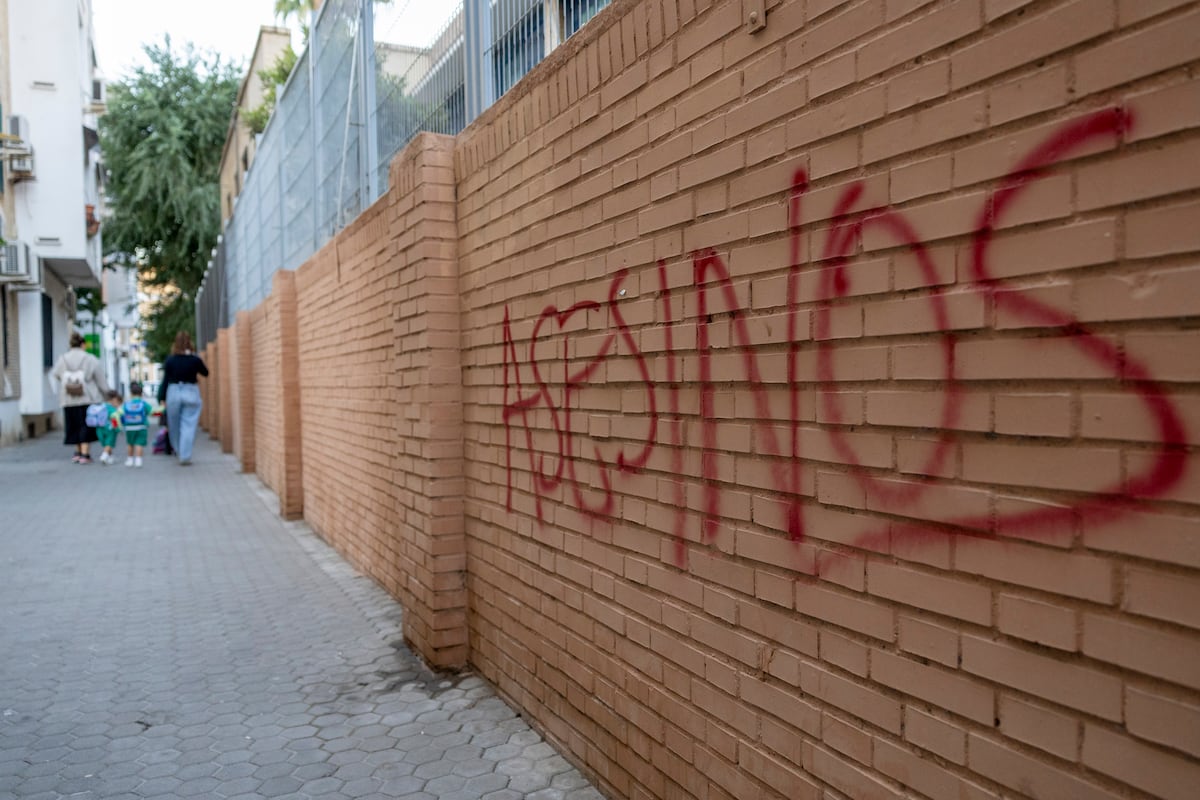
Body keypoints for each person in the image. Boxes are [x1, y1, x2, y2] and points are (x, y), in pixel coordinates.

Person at [50, 331, 110, 464]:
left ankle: (77, 453)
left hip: (68, 398)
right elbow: (100, 379)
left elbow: (55, 373)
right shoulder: (90, 358)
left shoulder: (63, 358)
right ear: (83, 344)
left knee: (73, 425)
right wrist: (107, 394)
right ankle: (85, 454)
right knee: (85, 425)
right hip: (87, 397)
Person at [162, 331, 208, 465]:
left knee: (174, 425)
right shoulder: (194, 359)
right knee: (188, 425)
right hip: (190, 391)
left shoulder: (170, 360)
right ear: (190, 342)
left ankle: (178, 450)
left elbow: (165, 380)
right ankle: (185, 455)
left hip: (174, 392)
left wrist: (162, 397)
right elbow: (206, 372)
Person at [121, 382, 153, 468]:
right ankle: (138, 460)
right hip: (141, 427)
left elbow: (120, 413)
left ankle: (130, 460)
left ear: (131, 394)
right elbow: (152, 412)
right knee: (139, 444)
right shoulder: (143, 403)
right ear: (141, 394)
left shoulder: (126, 404)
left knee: (130, 443)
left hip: (129, 427)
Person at [94, 390, 123, 465]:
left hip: (99, 428)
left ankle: (110, 457)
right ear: (114, 400)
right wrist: (118, 428)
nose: (118, 406)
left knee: (106, 444)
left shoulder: (101, 406)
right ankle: (104, 456)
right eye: (118, 403)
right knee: (109, 444)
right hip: (109, 429)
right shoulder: (111, 408)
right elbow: (114, 418)